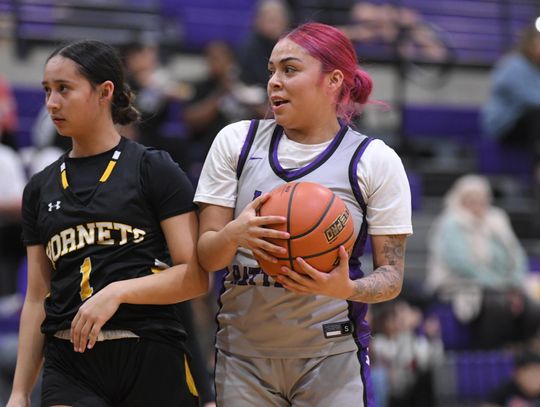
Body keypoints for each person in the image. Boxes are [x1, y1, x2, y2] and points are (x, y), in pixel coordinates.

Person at [195, 22, 412, 406]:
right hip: (242, 354)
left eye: (289, 70)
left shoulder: (374, 160)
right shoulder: (236, 142)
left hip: (330, 356)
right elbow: (207, 256)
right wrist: (233, 235)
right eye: (271, 71)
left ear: (333, 81)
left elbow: (391, 277)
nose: (274, 82)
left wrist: (345, 288)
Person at [6, 39, 208, 407]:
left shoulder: (153, 168)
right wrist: (19, 393)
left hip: (148, 349)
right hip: (70, 363)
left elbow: (194, 277)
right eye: (47, 90)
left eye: (64, 89)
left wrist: (117, 292)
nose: (52, 103)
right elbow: (37, 297)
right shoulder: (39, 187)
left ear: (105, 91)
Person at [425, 174, 540, 350]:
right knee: (497, 306)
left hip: (504, 285)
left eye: (481, 199)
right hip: (461, 285)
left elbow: (516, 254)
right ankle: (492, 353)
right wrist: (499, 285)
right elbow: (461, 264)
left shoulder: (497, 220)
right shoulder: (451, 223)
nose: (477, 205)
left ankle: (521, 353)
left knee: (531, 306)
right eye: (471, 200)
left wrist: (514, 284)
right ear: (460, 200)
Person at [481, 25, 540, 186]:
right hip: (505, 125)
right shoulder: (513, 65)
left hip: (528, 126)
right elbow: (528, 98)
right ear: (529, 43)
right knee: (536, 113)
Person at [369, 299, 444, 407]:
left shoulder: (415, 340)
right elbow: (397, 356)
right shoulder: (379, 342)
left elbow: (433, 360)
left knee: (424, 378)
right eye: (397, 316)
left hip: (411, 396)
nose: (400, 320)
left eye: (403, 316)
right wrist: (405, 329)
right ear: (386, 320)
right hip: (391, 396)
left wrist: (433, 336)